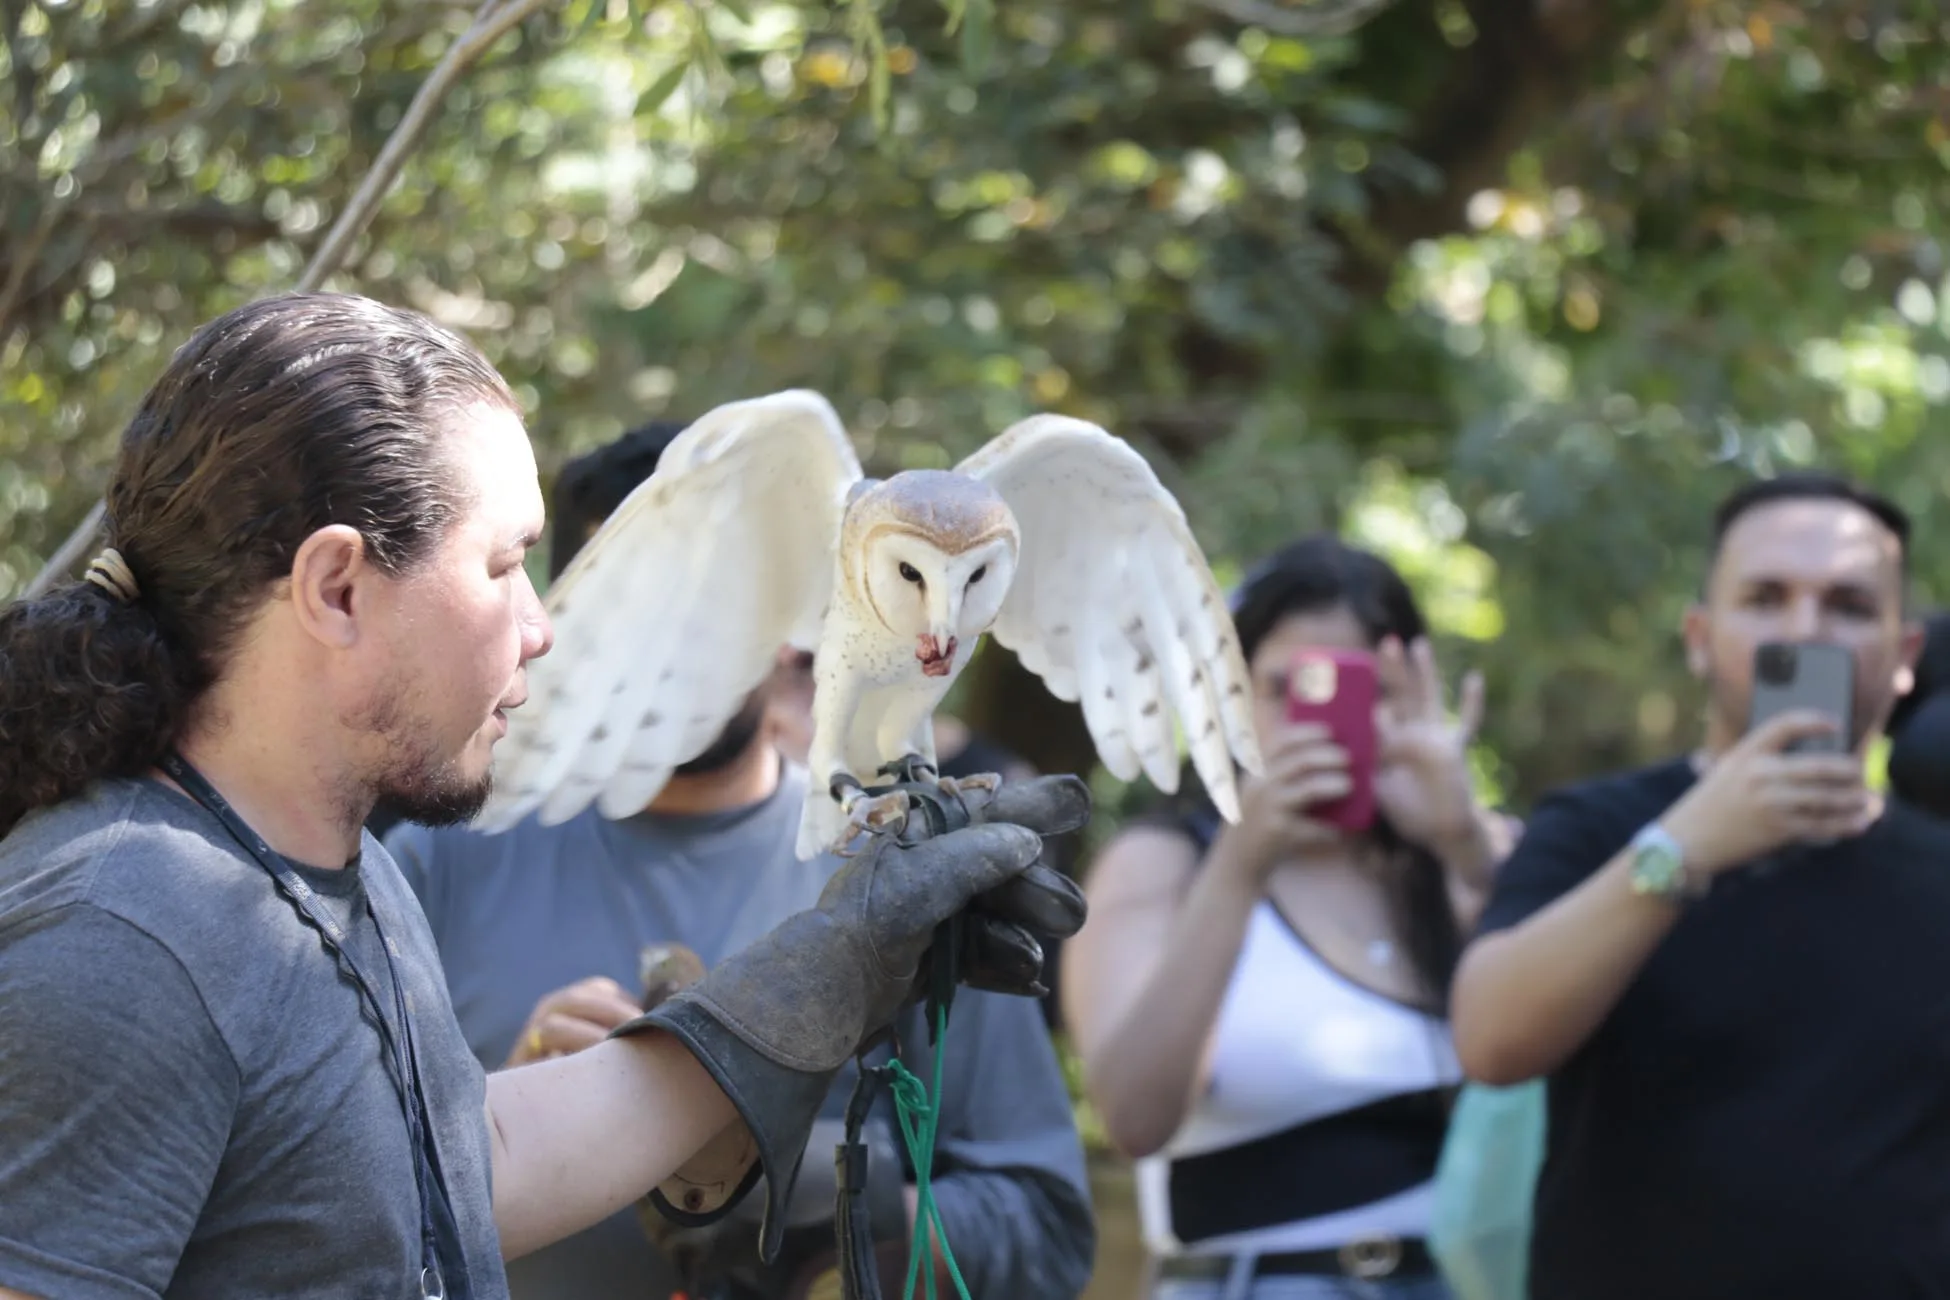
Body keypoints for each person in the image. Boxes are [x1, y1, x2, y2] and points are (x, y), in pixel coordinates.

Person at [0, 291, 1087, 1300]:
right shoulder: (125, 930)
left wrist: (838, 964)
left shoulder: (338, 868)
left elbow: (472, 1169)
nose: (543, 623)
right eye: (506, 565)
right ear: (338, 589)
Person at [385, 422, 1096, 1300]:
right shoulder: (432, 870)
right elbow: (330, 1211)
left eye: (716, 599)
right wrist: (500, 1123)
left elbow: (1046, 1236)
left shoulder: (905, 870)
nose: (684, 643)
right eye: (640, 604)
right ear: (568, 617)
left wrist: (819, 1209)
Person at [1450, 472, 1950, 1299]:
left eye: (1849, 606)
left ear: (1904, 659)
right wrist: (1681, 851)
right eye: (1765, 597)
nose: (1805, 630)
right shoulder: (1597, 828)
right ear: (1699, 636)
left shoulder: (1938, 872)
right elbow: (1492, 1042)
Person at [1061, 536, 1514, 1300]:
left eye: (1359, 688)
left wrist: (1459, 841)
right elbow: (1133, 1116)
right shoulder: (1164, 861)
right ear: (1227, 692)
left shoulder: (1472, 856)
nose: (1322, 721)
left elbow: (1565, 1060)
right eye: (1287, 689)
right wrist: (1240, 867)